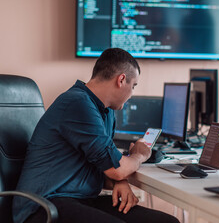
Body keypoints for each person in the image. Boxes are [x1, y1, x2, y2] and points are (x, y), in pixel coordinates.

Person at [13, 48, 180, 223]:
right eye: (134, 86)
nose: (132, 94)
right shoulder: (77, 103)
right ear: (121, 80)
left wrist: (120, 181)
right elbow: (118, 169)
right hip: (44, 206)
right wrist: (140, 155)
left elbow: (108, 165)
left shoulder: (106, 111)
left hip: (80, 199)